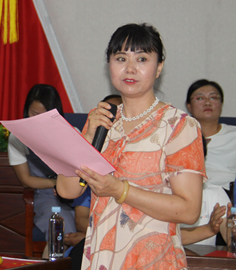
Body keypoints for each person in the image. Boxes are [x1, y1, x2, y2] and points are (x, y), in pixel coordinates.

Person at [56, 23, 205, 270]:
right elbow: (67, 190)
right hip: (102, 258)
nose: (130, 68)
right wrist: (87, 135)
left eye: (142, 59)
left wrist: (120, 190)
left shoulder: (179, 125)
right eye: (121, 58)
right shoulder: (101, 120)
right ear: (109, 65)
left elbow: (189, 211)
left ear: (159, 67)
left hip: (153, 259)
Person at [7, 84, 77, 241]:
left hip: (79, 196)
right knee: (61, 224)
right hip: (48, 196)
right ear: (27, 111)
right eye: (35, 113)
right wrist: (57, 184)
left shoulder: (73, 133)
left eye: (46, 115)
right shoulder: (17, 137)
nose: (40, 119)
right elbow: (26, 180)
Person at [180, 133, 231, 247]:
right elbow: (163, 238)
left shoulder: (214, 193)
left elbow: (230, 237)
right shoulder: (153, 194)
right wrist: (208, 230)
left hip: (203, 258)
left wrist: (233, 233)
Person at [185, 79, 236, 191]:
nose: (207, 103)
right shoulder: (178, 138)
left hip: (229, 194)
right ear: (189, 106)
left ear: (221, 104)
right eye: (199, 98)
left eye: (213, 98)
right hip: (193, 193)